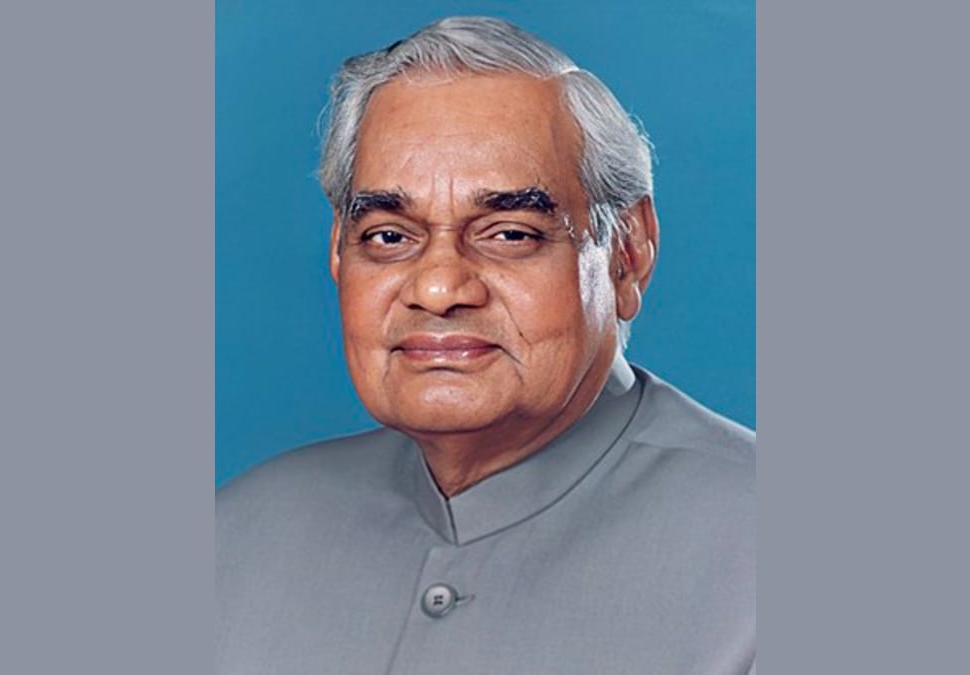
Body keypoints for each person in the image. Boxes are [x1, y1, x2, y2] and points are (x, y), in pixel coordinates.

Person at [217, 16, 754, 674]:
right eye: (389, 236)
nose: (439, 288)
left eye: (509, 233)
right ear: (338, 253)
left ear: (628, 253)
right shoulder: (236, 537)